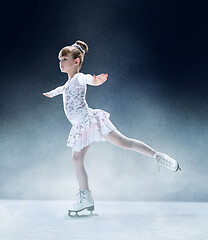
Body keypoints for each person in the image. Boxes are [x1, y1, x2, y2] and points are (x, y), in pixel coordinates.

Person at [43, 40, 182, 215]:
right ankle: (85, 198)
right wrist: (51, 93)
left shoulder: (78, 78)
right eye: (59, 60)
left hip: (89, 121)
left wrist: (94, 80)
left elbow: (86, 79)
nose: (60, 63)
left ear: (76, 61)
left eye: (64, 59)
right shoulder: (69, 83)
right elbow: (61, 89)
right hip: (80, 126)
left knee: (124, 143)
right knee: (77, 159)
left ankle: (158, 156)